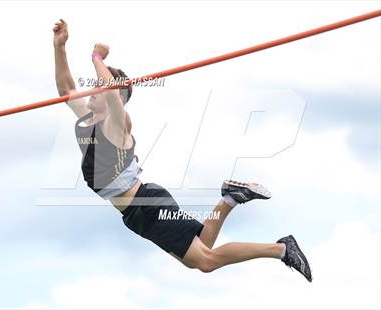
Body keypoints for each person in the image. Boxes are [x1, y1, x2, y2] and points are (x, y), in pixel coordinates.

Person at [52, 19, 312, 282]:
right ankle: (231, 198)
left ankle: (281, 249)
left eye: (99, 87)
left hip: (146, 205)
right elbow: (66, 89)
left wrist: (96, 58)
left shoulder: (119, 125)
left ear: (118, 100)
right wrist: (59, 46)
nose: (92, 91)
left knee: (206, 261)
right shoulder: (87, 119)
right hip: (137, 213)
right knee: (203, 249)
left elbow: (110, 93)